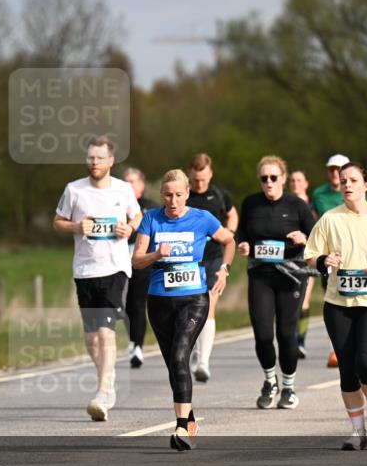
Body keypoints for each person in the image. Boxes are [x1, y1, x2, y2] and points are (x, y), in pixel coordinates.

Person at [304, 162, 367, 450]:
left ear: (365, 185)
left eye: (353, 180)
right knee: (347, 368)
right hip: (339, 302)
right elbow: (310, 255)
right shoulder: (329, 219)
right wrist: (324, 261)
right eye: (343, 180)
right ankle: (356, 429)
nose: (347, 184)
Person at [133, 170, 235, 450]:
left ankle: (179, 427)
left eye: (179, 194)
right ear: (162, 195)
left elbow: (228, 240)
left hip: (194, 299)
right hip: (159, 300)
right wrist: (156, 255)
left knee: (180, 356)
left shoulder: (202, 218)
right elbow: (136, 260)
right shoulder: (152, 218)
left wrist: (224, 270)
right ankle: (188, 416)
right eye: (168, 195)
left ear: (187, 193)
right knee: (172, 363)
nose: (173, 200)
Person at [53, 136, 142, 422]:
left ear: (110, 161)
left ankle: (103, 392)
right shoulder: (74, 190)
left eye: (100, 158)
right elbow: (57, 222)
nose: (94, 163)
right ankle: (109, 373)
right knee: (91, 339)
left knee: (106, 331)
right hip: (85, 270)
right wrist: (77, 226)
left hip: (115, 268)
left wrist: (129, 228)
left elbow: (138, 216)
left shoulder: (123, 189)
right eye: (90, 158)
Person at [237, 155, 316, 410]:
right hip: (261, 275)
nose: (269, 182)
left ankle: (289, 387)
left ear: (283, 178)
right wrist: (244, 244)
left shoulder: (297, 205)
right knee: (262, 334)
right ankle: (270, 381)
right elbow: (242, 234)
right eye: (264, 178)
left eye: (273, 177)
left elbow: (317, 236)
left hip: (291, 276)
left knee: (285, 333)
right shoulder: (250, 204)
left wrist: (304, 238)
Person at [185, 153, 238, 382]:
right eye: (196, 180)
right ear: (190, 175)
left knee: (209, 303)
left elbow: (232, 214)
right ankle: (196, 352)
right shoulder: (183, 195)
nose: (200, 185)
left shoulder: (218, 194)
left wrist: (230, 234)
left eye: (204, 180)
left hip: (214, 257)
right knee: (191, 308)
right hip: (188, 259)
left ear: (210, 174)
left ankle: (204, 361)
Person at [311, 154, 352, 368]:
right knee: (333, 300)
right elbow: (312, 219)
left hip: (354, 254)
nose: (335, 173)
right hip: (330, 256)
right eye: (331, 169)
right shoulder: (319, 194)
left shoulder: (357, 192)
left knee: (353, 301)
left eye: (339, 169)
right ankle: (335, 349)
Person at [122, 167, 159, 369]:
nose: (128, 185)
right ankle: (132, 339)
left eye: (132, 181)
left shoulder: (151, 208)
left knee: (137, 303)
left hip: (142, 261)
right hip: (119, 260)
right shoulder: (117, 205)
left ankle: (137, 347)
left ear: (141, 185)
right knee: (124, 305)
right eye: (125, 181)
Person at [290, 169, 316, 358]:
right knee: (290, 301)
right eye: (292, 180)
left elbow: (316, 231)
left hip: (307, 257)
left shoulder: (311, 206)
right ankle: (290, 338)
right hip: (288, 259)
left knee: (304, 301)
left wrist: (305, 238)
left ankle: (300, 341)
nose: (295, 183)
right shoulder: (286, 204)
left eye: (299, 180)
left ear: (306, 183)